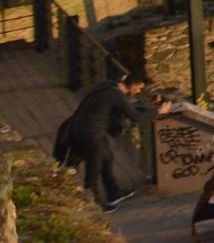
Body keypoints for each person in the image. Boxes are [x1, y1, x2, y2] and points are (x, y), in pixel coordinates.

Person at [55, 71, 154, 209]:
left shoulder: (108, 85)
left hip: (82, 128)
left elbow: (128, 108)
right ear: (133, 85)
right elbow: (136, 117)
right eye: (139, 88)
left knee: (107, 157)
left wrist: (148, 107)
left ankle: (113, 192)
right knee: (93, 169)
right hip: (90, 135)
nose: (138, 92)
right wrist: (159, 112)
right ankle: (95, 203)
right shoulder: (116, 97)